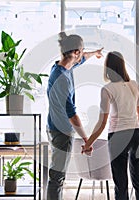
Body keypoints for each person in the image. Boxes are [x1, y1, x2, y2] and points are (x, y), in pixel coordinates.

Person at [82, 51, 139, 200]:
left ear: (108, 68)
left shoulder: (107, 89)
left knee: (121, 184)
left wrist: (88, 144)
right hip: (137, 134)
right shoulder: (134, 85)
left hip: (118, 136)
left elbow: (102, 122)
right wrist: (137, 133)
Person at [46, 32, 103, 200]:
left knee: (58, 174)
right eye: (82, 50)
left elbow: (83, 57)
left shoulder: (61, 67)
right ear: (75, 52)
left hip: (56, 128)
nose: (83, 53)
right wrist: (87, 140)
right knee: (57, 176)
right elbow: (72, 114)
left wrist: (95, 53)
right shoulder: (61, 78)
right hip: (61, 132)